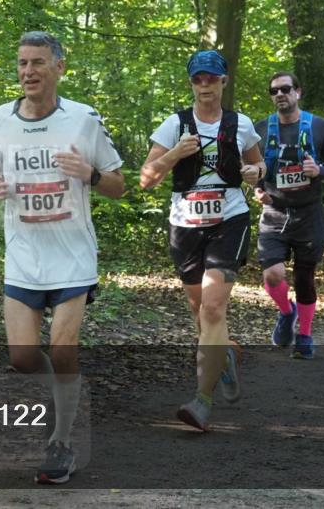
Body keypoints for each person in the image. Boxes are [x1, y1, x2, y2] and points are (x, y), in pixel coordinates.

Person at [0, 31, 124, 483]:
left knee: (63, 347)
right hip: (24, 255)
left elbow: (118, 186)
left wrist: (90, 173)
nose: (28, 71)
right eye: (22, 63)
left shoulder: (83, 119)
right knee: (23, 357)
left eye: (38, 63)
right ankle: (64, 400)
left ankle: (61, 438)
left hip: (72, 256)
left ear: (59, 68)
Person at [140, 49, 263, 432]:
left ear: (224, 80)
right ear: (191, 82)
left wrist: (253, 172)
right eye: (198, 78)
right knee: (199, 313)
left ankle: (202, 400)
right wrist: (175, 153)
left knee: (212, 308)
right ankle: (221, 355)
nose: (205, 84)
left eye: (212, 77)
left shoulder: (240, 124)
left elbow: (259, 165)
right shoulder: (173, 125)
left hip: (229, 219)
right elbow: (146, 179)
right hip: (185, 224)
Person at [253, 72, 324, 360]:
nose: (280, 95)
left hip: (309, 215)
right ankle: (286, 312)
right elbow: (254, 168)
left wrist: (320, 171)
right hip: (274, 212)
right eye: (274, 91)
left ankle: (304, 335)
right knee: (273, 275)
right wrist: (256, 189)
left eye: (286, 89)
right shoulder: (262, 128)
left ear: (298, 92)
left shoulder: (319, 126)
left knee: (304, 280)